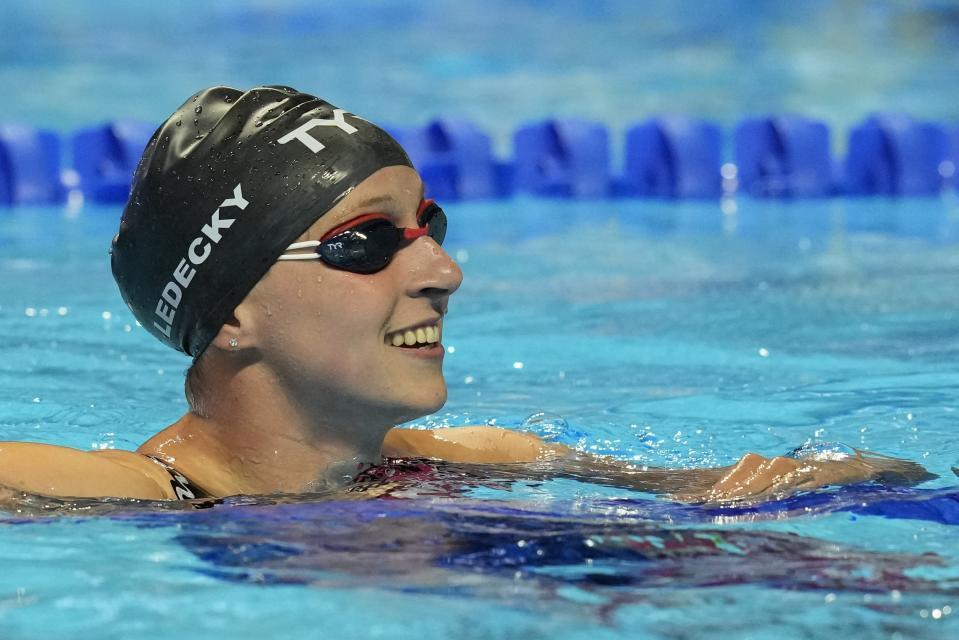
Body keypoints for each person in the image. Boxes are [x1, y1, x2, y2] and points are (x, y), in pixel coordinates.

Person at [0, 86, 933, 503]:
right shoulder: (132, 496)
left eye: (427, 229)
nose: (441, 273)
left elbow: (707, 495)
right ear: (232, 309)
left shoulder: (473, 458)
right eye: (363, 243)